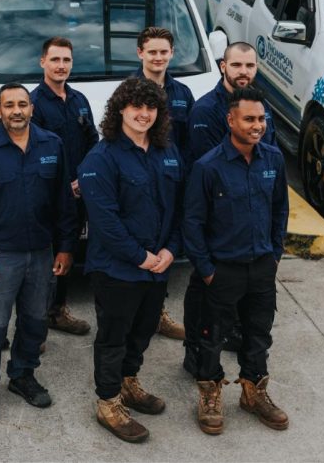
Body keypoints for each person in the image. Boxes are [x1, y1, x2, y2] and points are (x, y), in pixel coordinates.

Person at [78, 77, 184, 443]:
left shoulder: (167, 151)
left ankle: (128, 381)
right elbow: (104, 220)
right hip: (118, 269)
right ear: (120, 109)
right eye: (136, 107)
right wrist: (141, 257)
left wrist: (170, 250)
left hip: (158, 265)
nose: (144, 114)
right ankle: (108, 402)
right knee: (114, 336)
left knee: (143, 330)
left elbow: (177, 206)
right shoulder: (101, 157)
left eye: (150, 107)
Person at [0, 83, 77, 423]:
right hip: (2, 254)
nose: (16, 110)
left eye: (22, 104)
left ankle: (22, 374)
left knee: (35, 319)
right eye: (9, 105)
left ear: (31, 109)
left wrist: (66, 248)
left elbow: (64, 203)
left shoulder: (52, 145)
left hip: (42, 253)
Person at [183, 87, 289, 435]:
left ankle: (253, 392)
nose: (257, 125)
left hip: (261, 266)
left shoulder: (273, 159)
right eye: (249, 119)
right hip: (222, 270)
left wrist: (274, 254)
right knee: (211, 337)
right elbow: (193, 222)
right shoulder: (208, 166)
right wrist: (207, 270)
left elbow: (279, 210)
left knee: (258, 334)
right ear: (231, 120)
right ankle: (210, 395)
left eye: (261, 119)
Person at [183, 41, 278, 370]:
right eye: (237, 65)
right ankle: (195, 352)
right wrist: (208, 264)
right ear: (223, 65)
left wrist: (273, 251)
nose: (243, 72)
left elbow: (272, 166)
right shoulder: (205, 111)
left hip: (252, 235)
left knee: (246, 312)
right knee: (203, 295)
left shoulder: (261, 108)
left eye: (249, 66)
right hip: (217, 223)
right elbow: (206, 169)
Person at [29, 36, 96, 337]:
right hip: (47, 194)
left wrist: (82, 178)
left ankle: (58, 310)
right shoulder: (33, 103)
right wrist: (62, 184)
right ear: (43, 61)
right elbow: (32, 152)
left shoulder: (79, 100)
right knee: (44, 257)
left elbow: (92, 143)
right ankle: (35, 323)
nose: (61, 65)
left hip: (77, 192)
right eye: (55, 59)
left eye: (66, 60)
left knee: (68, 250)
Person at [133, 26, 193, 342]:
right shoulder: (129, 90)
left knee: (166, 247)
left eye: (163, 51)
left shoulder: (182, 94)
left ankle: (157, 313)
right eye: (152, 51)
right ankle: (139, 313)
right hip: (140, 183)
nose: (158, 57)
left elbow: (190, 142)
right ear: (140, 53)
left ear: (171, 54)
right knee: (140, 245)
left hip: (173, 181)